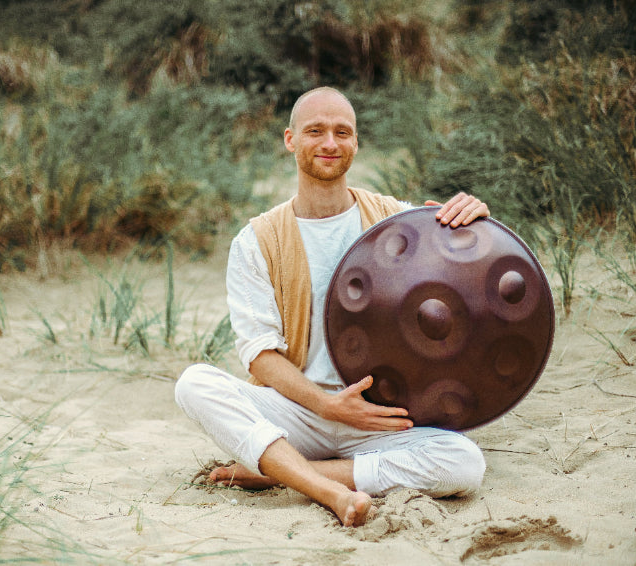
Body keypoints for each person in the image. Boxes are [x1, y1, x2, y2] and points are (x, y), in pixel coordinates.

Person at [175, 87, 489, 527]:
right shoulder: (257, 241)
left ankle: (282, 472)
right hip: (299, 410)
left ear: (356, 143)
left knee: (465, 464)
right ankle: (326, 490)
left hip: (376, 414)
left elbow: (467, 283)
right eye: (315, 131)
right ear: (290, 140)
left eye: (343, 132)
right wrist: (326, 406)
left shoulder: (395, 219)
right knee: (194, 384)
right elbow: (260, 357)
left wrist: (472, 216)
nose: (330, 143)